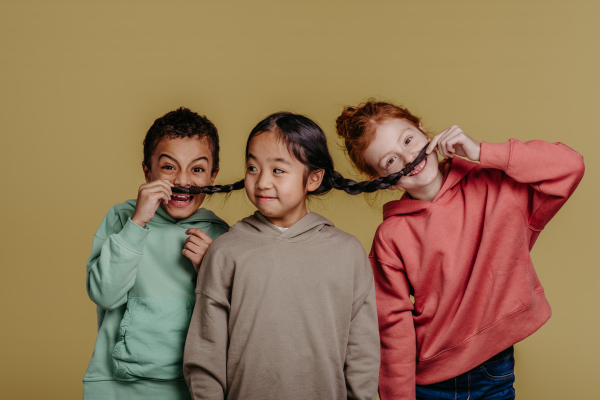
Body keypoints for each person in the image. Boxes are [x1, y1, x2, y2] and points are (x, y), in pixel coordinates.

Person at [335, 100, 585, 400]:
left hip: (493, 372)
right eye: (391, 161)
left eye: (408, 140)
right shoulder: (391, 236)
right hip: (428, 384)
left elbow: (570, 166)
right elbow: (393, 328)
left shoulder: (498, 187)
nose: (408, 157)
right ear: (383, 182)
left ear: (423, 131)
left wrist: (483, 152)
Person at [183, 112, 380, 400]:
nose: (262, 182)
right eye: (252, 167)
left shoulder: (347, 252)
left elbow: (362, 350)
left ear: (313, 178)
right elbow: (205, 352)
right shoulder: (225, 251)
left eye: (278, 170)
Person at [83, 107, 229, 400]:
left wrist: (211, 268)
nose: (183, 180)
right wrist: (138, 222)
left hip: (191, 388)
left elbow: (234, 319)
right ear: (147, 171)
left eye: (197, 169)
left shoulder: (220, 235)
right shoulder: (122, 218)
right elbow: (105, 294)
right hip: (116, 385)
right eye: (169, 167)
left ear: (213, 176)